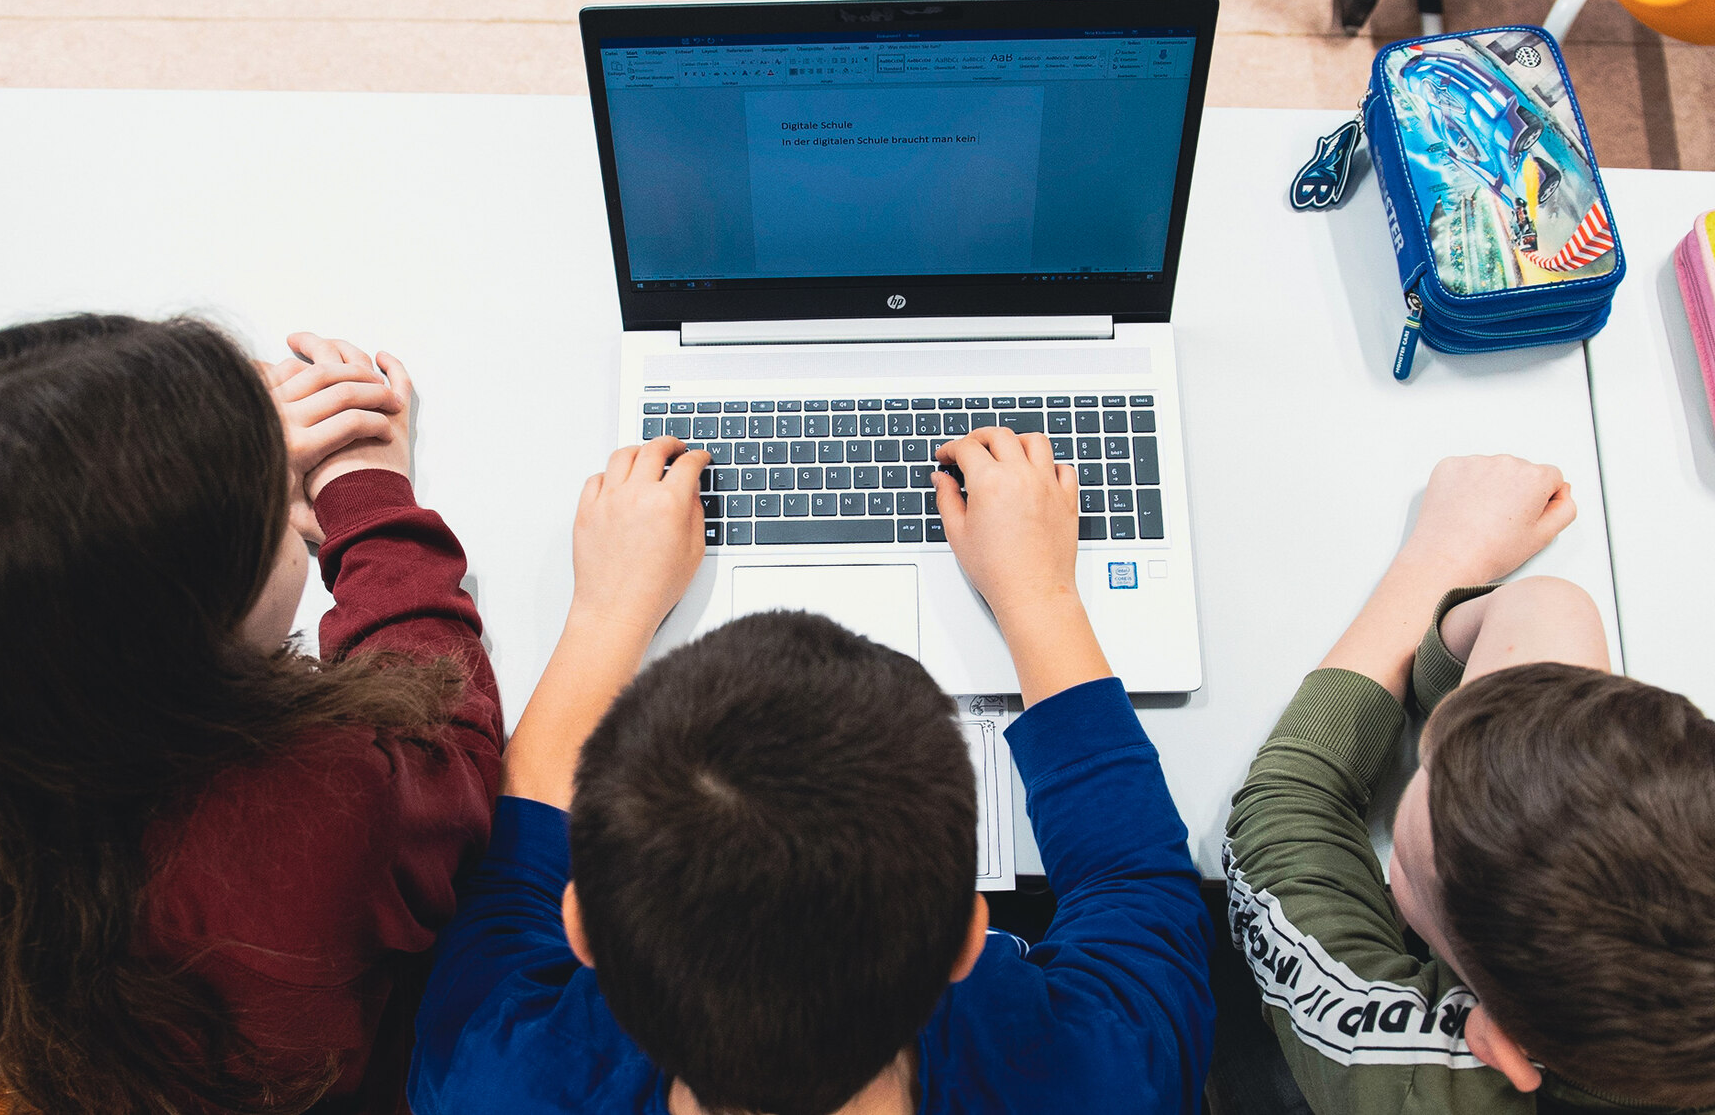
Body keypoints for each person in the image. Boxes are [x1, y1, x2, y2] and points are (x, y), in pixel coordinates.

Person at [410, 427, 1214, 1115]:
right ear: (969, 936)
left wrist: (608, 610)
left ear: (581, 924)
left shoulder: (492, 1077)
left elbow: (514, 880)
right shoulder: (1110, 1078)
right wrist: (1040, 595)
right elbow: (1137, 885)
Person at [0, 316, 504, 1115]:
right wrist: (366, 494)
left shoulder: (7, 717)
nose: (283, 504)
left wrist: (196, 450)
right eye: (265, 511)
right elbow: (447, 733)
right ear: (184, 635)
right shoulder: (312, 812)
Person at [1224, 454, 1715, 1114]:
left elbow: (1287, 804)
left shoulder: (1419, 1082)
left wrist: (1445, 556)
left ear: (1490, 1023)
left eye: (1423, 770)